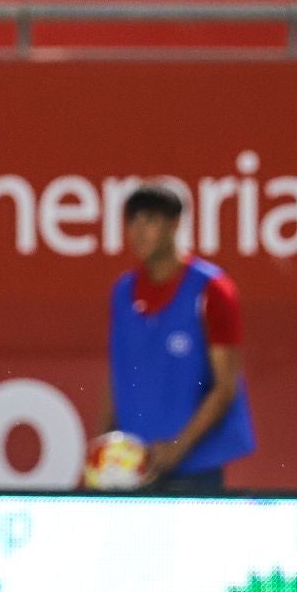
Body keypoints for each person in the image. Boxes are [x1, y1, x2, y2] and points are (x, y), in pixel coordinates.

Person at [102, 184, 255, 495]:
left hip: (194, 471)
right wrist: (105, 441)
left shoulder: (212, 290)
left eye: (150, 220)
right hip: (132, 465)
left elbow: (225, 386)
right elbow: (116, 374)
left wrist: (177, 447)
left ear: (174, 224)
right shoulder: (122, 291)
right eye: (133, 221)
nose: (138, 231)